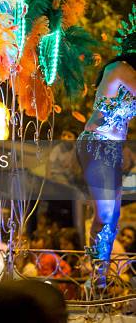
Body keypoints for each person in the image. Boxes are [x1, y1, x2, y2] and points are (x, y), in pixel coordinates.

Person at [76, 45, 136, 287]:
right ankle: (95, 276)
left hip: (114, 150)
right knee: (104, 213)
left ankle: (100, 278)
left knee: (113, 218)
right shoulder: (120, 69)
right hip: (97, 143)